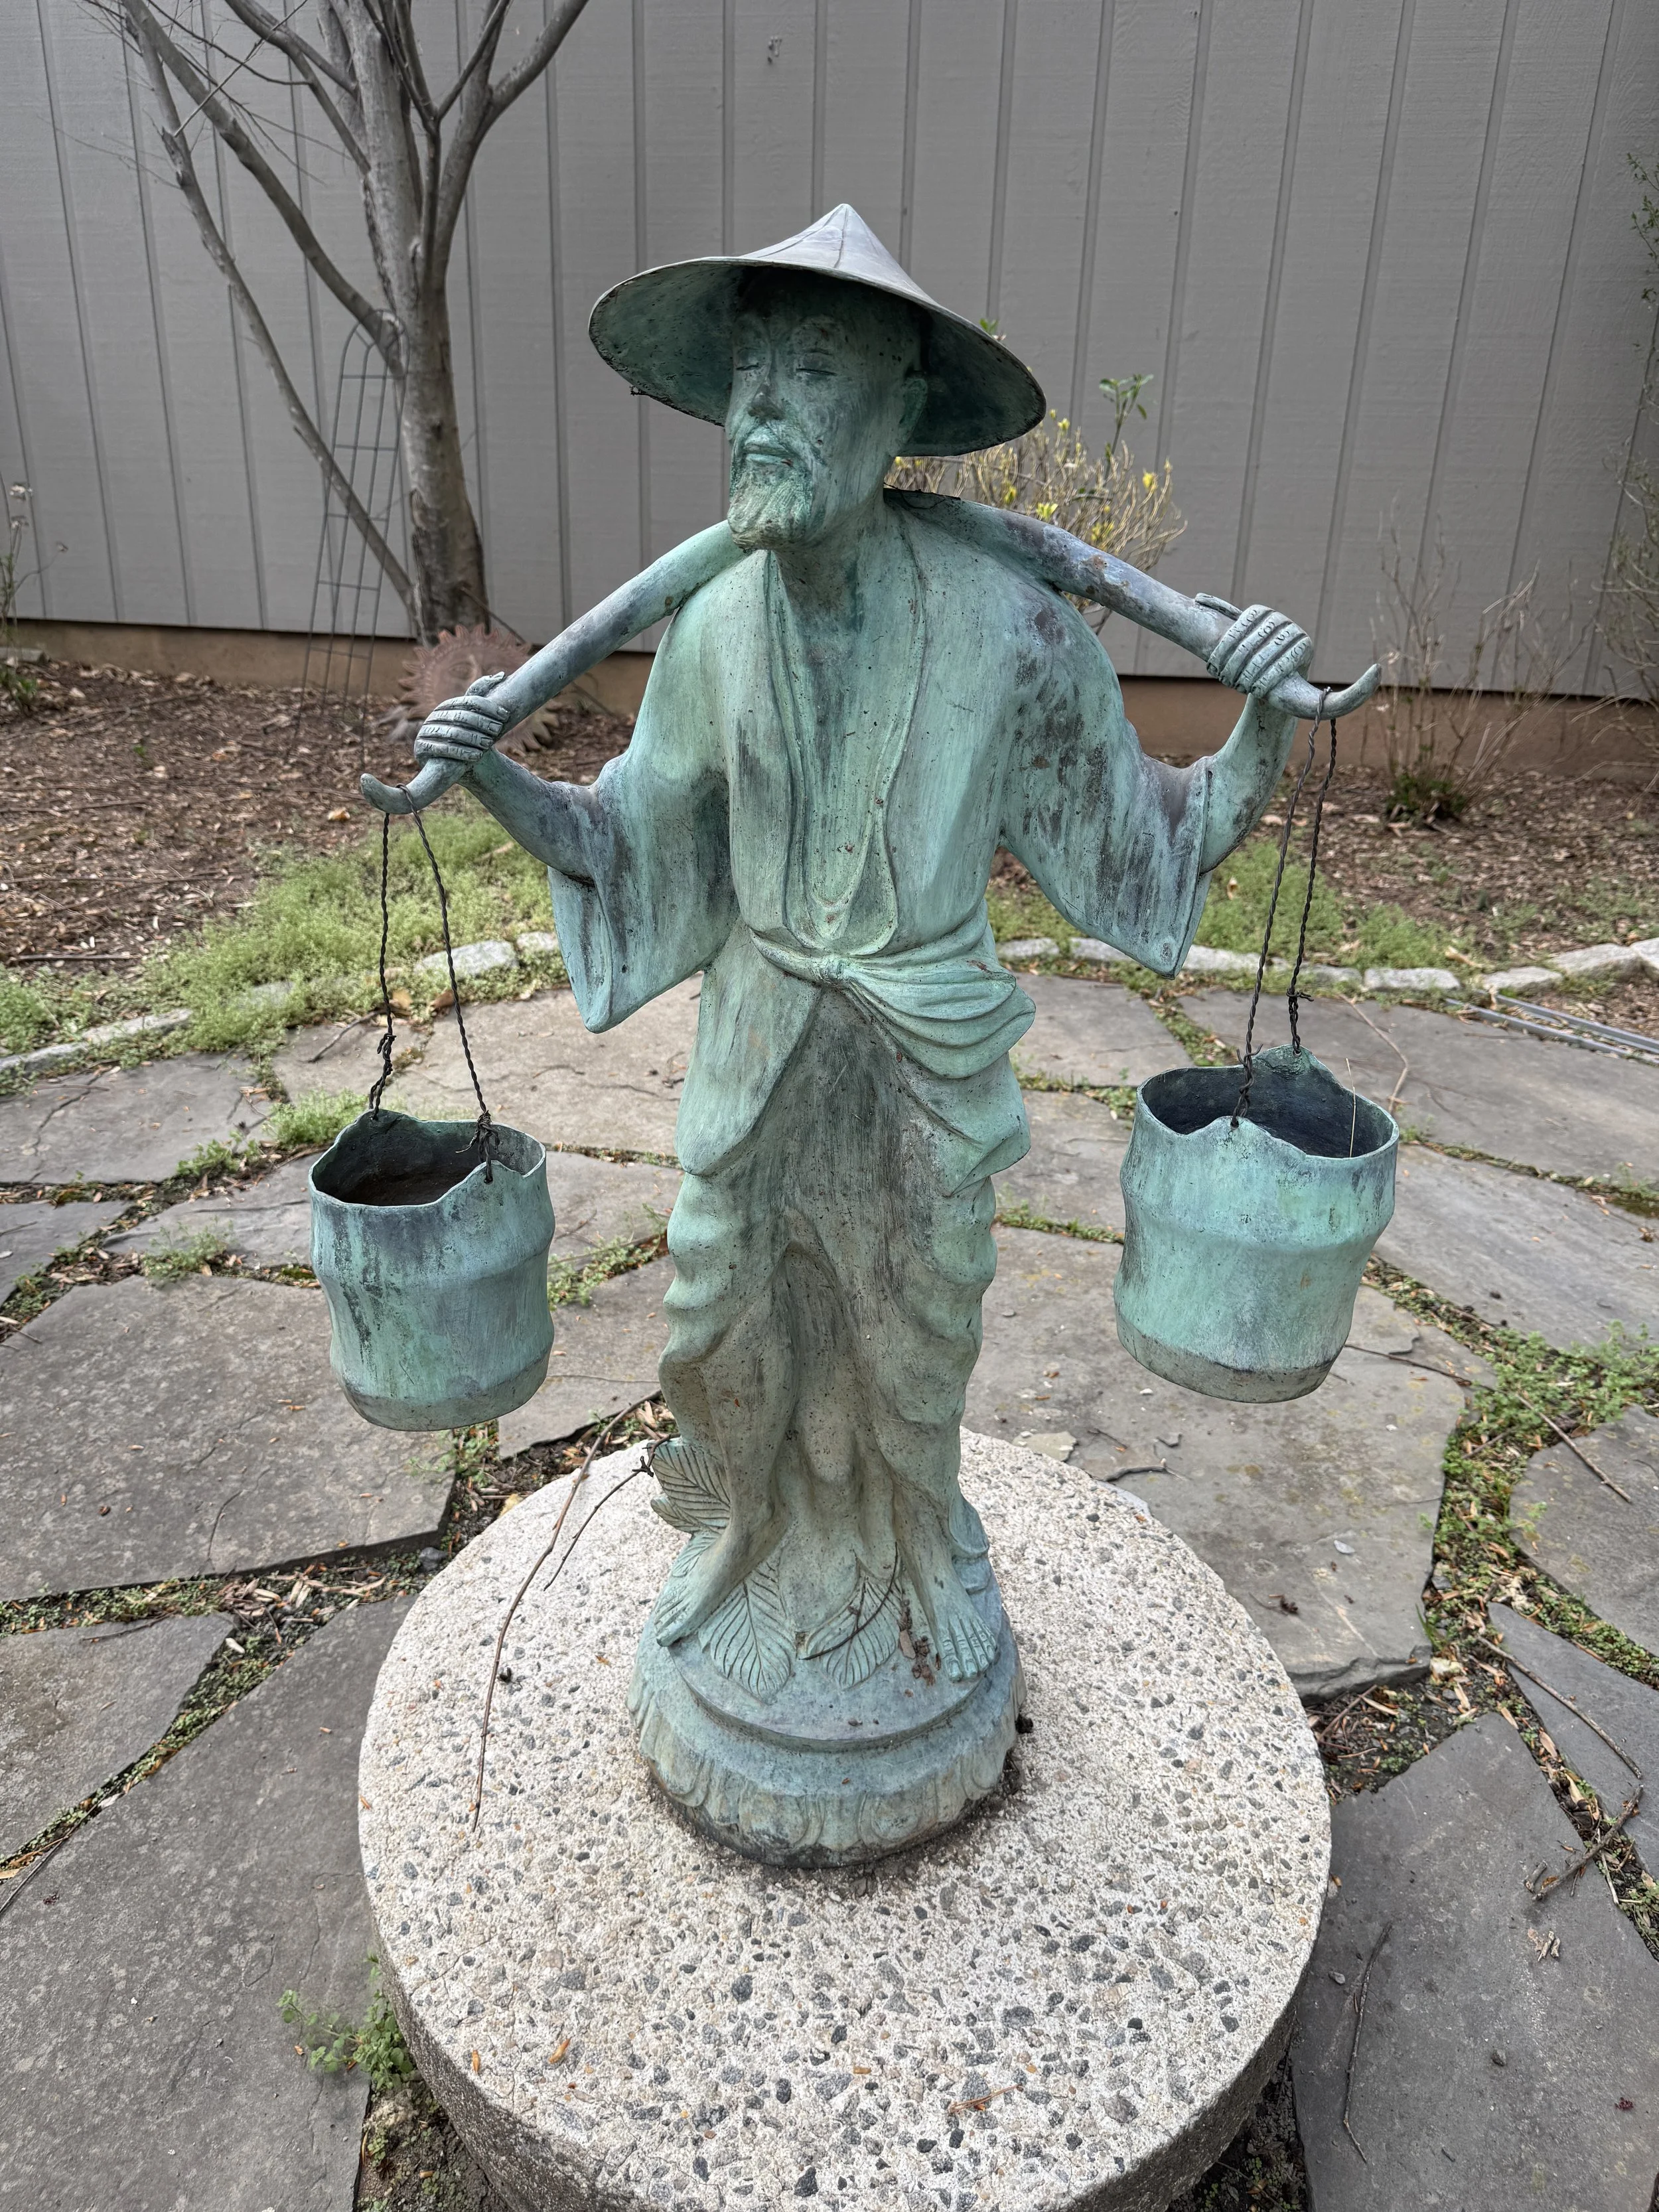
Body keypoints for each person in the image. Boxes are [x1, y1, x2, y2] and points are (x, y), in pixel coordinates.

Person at [412, 207, 1312, 1697]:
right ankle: (746, 1532)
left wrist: (1263, 716)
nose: (760, 408)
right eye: (748, 373)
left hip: (921, 1042)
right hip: (759, 1029)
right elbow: (634, 838)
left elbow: (1154, 835)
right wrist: (495, 776)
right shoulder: (711, 627)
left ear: (898, 409)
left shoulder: (1007, 622)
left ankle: (914, 1541)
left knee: (914, 1324)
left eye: (811, 368)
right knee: (713, 1311)